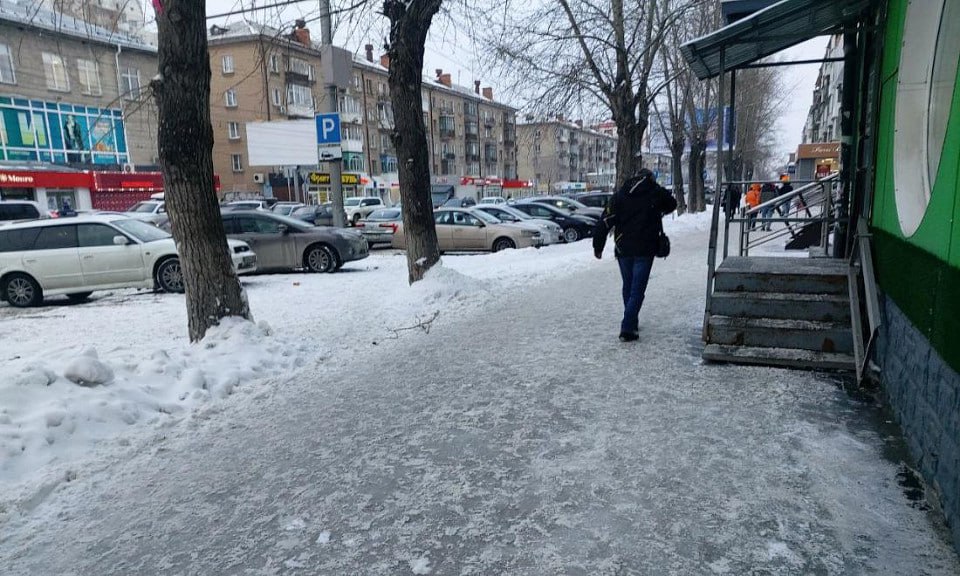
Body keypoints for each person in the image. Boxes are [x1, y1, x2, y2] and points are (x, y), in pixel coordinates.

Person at [593, 168, 677, 342]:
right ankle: (628, 327)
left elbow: (605, 221)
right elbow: (672, 204)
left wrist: (598, 246)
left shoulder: (620, 195)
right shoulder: (654, 193)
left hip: (623, 247)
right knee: (637, 289)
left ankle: (631, 319)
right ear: (650, 179)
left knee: (628, 285)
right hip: (645, 248)